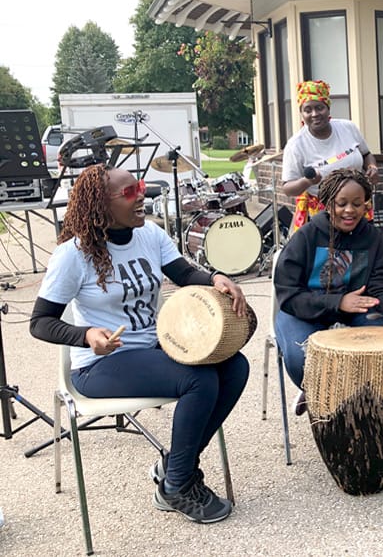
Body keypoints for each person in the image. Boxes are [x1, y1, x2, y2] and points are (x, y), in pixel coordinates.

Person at [30, 164, 250, 523]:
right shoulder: (74, 254)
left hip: (152, 349)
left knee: (235, 366)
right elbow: (40, 322)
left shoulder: (149, 234)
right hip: (100, 365)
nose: (141, 197)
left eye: (142, 187)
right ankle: (177, 485)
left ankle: (176, 466)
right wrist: (85, 335)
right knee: (198, 380)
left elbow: (184, 273)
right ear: (101, 203)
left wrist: (215, 278)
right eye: (129, 192)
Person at [274, 169, 383, 415]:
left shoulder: (372, 237)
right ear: (328, 203)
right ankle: (316, 391)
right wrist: (338, 302)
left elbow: (380, 287)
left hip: (354, 310)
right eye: (342, 203)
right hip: (303, 309)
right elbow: (288, 294)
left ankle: (359, 404)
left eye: (357, 204)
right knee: (299, 357)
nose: (350, 210)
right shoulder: (305, 237)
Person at [282, 79, 379, 233]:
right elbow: (288, 189)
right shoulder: (296, 145)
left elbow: (366, 154)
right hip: (324, 215)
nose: (314, 114)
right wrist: (307, 181)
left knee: (363, 247)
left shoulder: (348, 128)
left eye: (319, 108)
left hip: (358, 207)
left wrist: (372, 167)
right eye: (308, 110)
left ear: (328, 108)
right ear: (302, 114)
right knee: (332, 249)